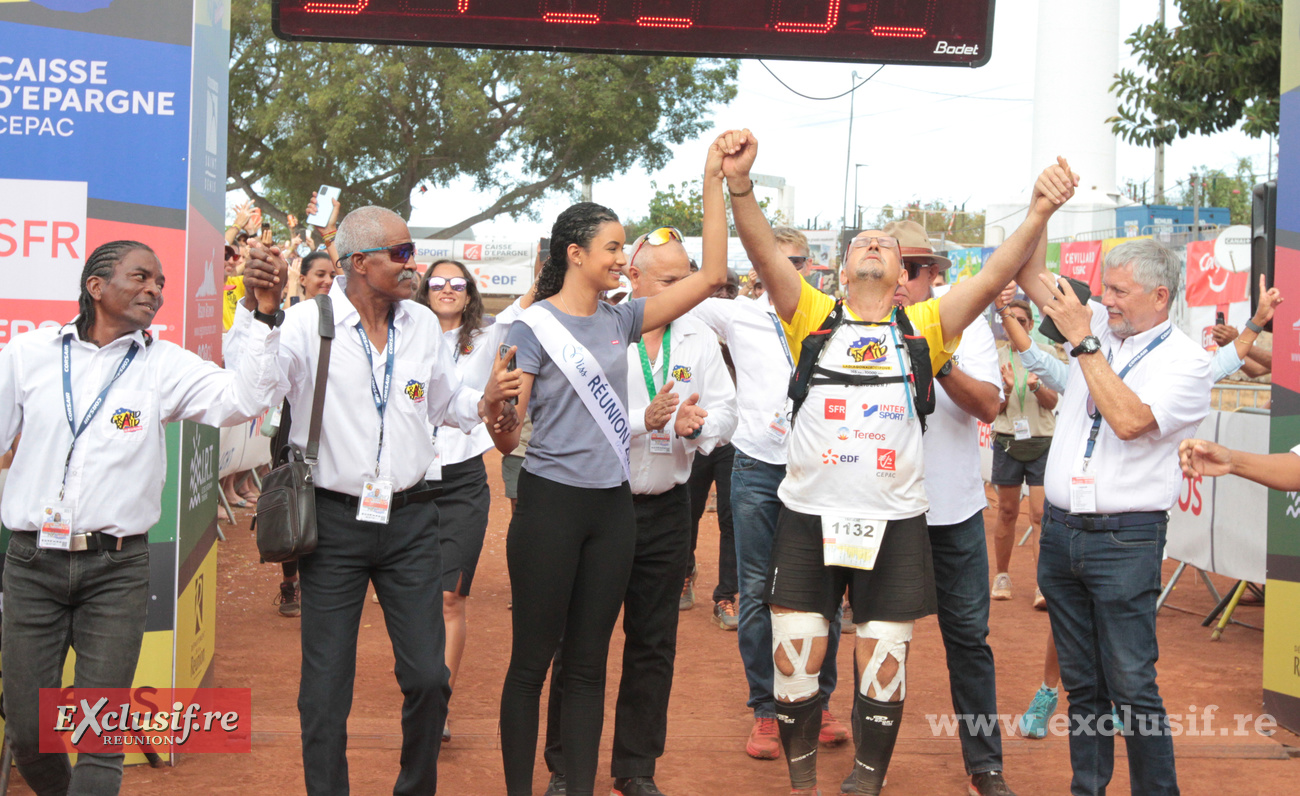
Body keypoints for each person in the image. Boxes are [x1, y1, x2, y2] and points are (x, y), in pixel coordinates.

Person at [727, 128, 1077, 796]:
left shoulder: (926, 329)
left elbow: (999, 271)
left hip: (895, 524)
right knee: (796, 663)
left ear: (903, 278)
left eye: (887, 247)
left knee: (882, 663)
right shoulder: (812, 316)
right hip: (807, 519)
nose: (875, 246)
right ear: (838, 266)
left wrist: (1038, 211)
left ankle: (866, 782)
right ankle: (804, 786)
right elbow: (763, 252)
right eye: (863, 241)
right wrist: (740, 186)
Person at [242, 206, 520, 796]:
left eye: (411, 251)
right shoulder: (305, 323)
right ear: (358, 263)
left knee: (428, 678)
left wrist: (487, 399)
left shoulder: (418, 323)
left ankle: (414, 787)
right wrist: (262, 313)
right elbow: (252, 393)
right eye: (400, 253)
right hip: (332, 523)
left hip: (413, 518)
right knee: (325, 687)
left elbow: (448, 403)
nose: (412, 264)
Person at [0, 239, 284, 795]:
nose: (154, 290)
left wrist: (261, 315)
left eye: (159, 282)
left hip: (118, 568)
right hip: (32, 562)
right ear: (96, 286)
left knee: (98, 735)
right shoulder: (26, 355)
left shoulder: (164, 365)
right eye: (141, 277)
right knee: (31, 732)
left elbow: (243, 400)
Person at [494, 138, 728, 796]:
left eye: (625, 248)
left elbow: (710, 277)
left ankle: (579, 787)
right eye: (613, 247)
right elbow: (510, 438)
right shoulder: (530, 330)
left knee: (591, 666)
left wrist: (713, 179)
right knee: (533, 663)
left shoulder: (621, 319)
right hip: (549, 508)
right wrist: (496, 412)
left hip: (611, 509)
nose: (622, 258)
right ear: (576, 254)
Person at [1013, 233, 1217, 796]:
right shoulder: (1102, 324)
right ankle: (1089, 789)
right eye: (1106, 289)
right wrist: (1042, 210)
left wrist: (1083, 341)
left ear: (1160, 295)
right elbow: (1030, 276)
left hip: (1125, 541)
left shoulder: (1188, 362)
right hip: (1060, 533)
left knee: (1131, 684)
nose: (1108, 300)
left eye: (1120, 291)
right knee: (1082, 684)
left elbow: (1129, 421)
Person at [544, 227, 738, 796]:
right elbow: (578, 420)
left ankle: (636, 767)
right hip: (600, 508)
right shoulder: (599, 331)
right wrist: (645, 422)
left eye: (689, 278)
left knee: (654, 641)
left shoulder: (699, 338)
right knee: (581, 640)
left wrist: (701, 426)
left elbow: (729, 409)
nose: (688, 290)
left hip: (668, 510)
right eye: (675, 281)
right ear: (637, 279)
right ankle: (566, 767)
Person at [689, 226, 848, 759]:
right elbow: (672, 294)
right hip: (757, 466)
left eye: (799, 260)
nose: (791, 270)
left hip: (822, 471)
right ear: (758, 268)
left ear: (810, 265)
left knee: (823, 592)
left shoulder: (834, 315)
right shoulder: (735, 314)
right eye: (778, 261)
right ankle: (766, 709)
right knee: (757, 592)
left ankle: (818, 703)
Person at [890, 221, 1018, 796]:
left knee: (968, 639)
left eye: (917, 269)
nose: (906, 279)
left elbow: (990, 405)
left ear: (932, 275)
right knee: (878, 637)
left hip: (954, 512)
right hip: (880, 514)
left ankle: (985, 766)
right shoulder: (850, 323)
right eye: (899, 266)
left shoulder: (962, 325)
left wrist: (937, 358)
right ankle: (870, 764)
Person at [411, 257, 520, 743]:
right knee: (414, 600)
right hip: (408, 482)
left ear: (471, 292)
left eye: (458, 283)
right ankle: (420, 687)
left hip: (462, 482)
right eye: (438, 282)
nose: (448, 289)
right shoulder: (403, 333)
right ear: (425, 290)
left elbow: (536, 297)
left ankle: (438, 705)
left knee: (450, 597)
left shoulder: (492, 335)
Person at [990, 297, 1061, 606]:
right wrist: (1005, 389)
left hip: (1043, 440)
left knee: (1040, 514)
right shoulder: (994, 357)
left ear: (1031, 325)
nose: (1016, 324)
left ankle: (1042, 585)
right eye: (1011, 320)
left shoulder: (1046, 356)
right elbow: (993, 407)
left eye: (1022, 320)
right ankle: (1001, 575)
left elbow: (1052, 402)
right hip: (1007, 440)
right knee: (1006, 512)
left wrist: (1035, 386)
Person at [685, 269, 742, 628]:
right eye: (714, 290)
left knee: (731, 517)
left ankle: (726, 596)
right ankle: (683, 572)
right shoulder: (687, 329)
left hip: (736, 439)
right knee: (686, 511)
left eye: (728, 291)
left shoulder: (746, 332)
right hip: (691, 434)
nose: (719, 296)